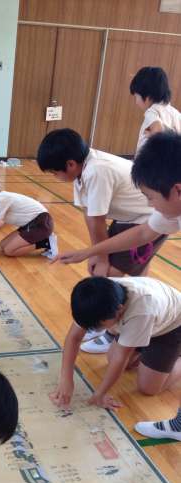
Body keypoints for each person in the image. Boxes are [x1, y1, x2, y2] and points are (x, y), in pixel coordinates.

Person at [52, 131, 181, 441]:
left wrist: (99, 394)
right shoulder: (170, 209)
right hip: (156, 314)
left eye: (150, 197)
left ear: (177, 190)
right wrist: (88, 252)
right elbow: (142, 234)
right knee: (117, 356)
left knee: (144, 383)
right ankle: (147, 347)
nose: (149, 205)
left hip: (169, 318)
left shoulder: (140, 307)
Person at [37, 128, 166, 353]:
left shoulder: (97, 171)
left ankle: (111, 330)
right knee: (124, 272)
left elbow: (97, 220)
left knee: (110, 275)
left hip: (147, 219)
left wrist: (102, 259)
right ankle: (132, 320)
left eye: (54, 172)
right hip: (128, 218)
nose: (55, 177)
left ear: (70, 164)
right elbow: (90, 215)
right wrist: (96, 254)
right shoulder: (83, 170)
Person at [52, 276, 181, 414]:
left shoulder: (142, 309)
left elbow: (121, 357)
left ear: (119, 310)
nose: (96, 330)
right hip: (147, 320)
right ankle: (145, 347)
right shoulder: (95, 298)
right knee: (113, 359)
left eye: (99, 326)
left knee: (149, 388)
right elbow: (74, 338)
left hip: (172, 326)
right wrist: (66, 379)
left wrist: (100, 394)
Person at [0, 180, 57, 257]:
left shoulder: (1, 200)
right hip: (31, 224)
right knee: (3, 245)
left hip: (41, 224)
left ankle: (45, 243)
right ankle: (42, 240)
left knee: (9, 251)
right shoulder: (1, 197)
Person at [130, 66, 181, 153]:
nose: (136, 102)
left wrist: (153, 135)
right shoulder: (176, 114)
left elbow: (158, 129)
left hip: (148, 160)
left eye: (136, 97)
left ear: (148, 97)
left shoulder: (152, 112)